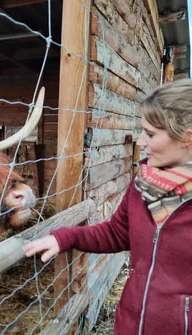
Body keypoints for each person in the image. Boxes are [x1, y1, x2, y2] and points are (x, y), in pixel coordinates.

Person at [23, 79, 192, 335]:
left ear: (186, 138)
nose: (140, 141)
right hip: (130, 324)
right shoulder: (143, 185)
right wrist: (65, 237)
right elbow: (115, 234)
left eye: (150, 134)